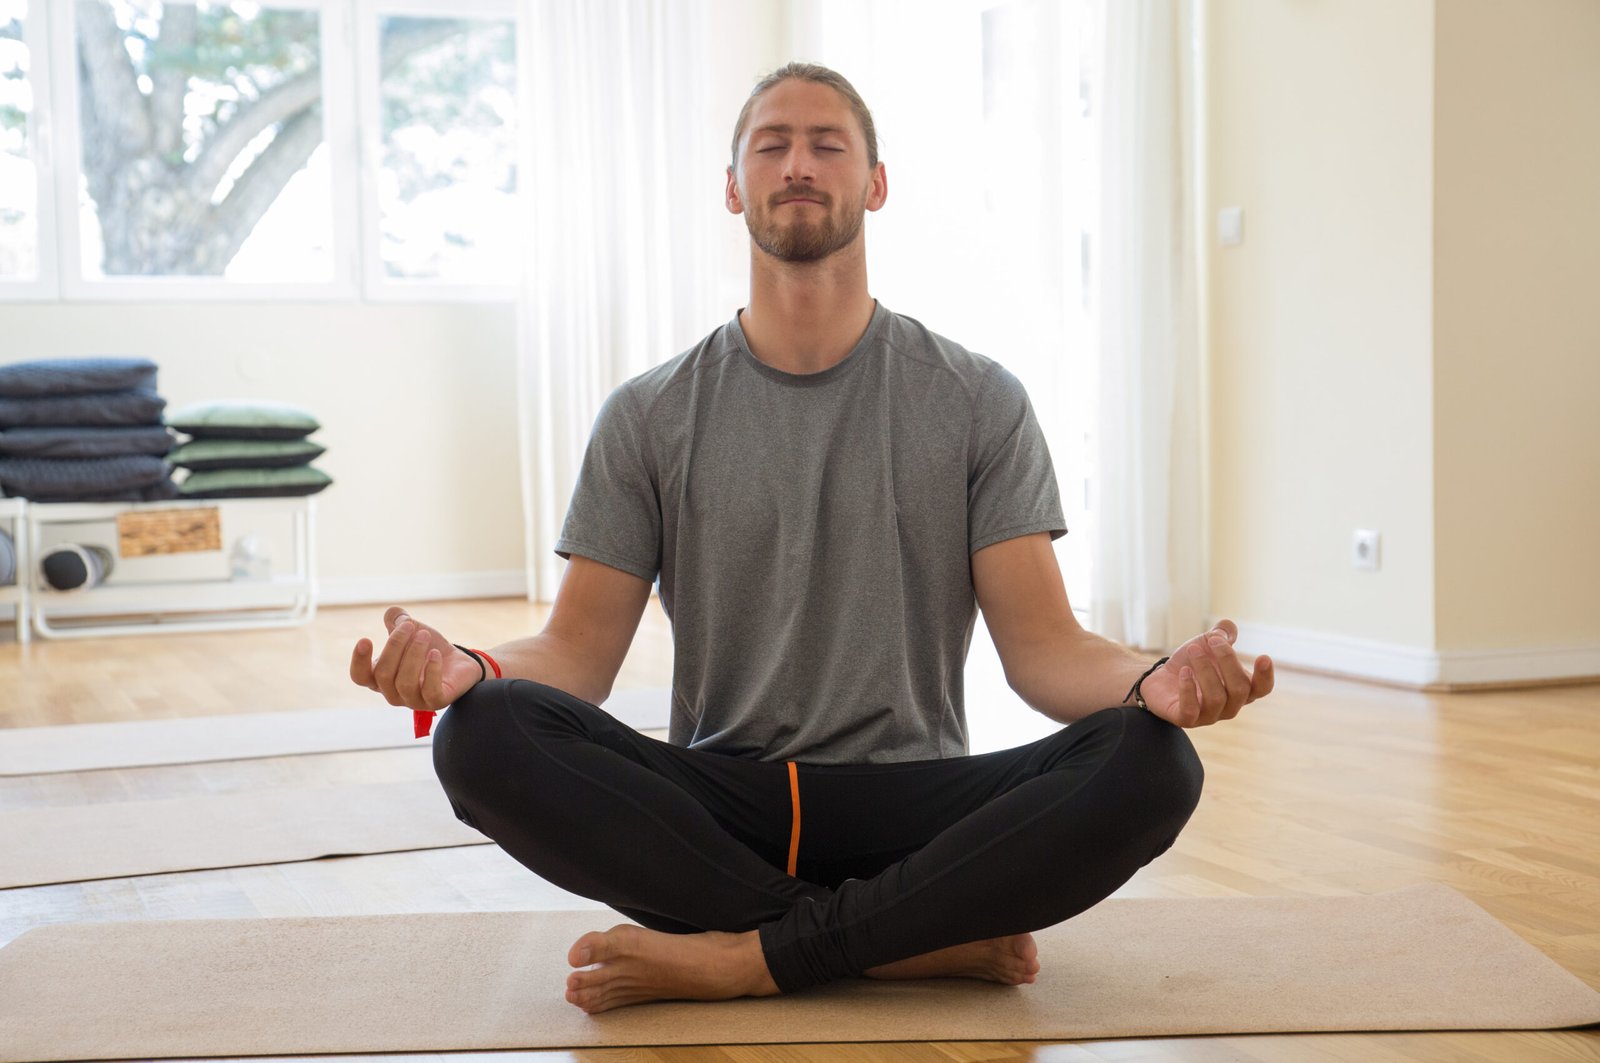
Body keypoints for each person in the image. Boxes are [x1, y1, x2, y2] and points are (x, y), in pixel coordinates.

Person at [350, 62, 1273, 1015]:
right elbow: (577, 654)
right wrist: (468, 665)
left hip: (920, 810)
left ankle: (744, 957)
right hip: (720, 807)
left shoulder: (976, 399)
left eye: (828, 144)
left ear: (875, 184)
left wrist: (1150, 681)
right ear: (732, 186)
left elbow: (1044, 653)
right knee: (481, 734)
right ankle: (903, 940)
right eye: (772, 144)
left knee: (1153, 760)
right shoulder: (648, 414)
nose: (799, 163)